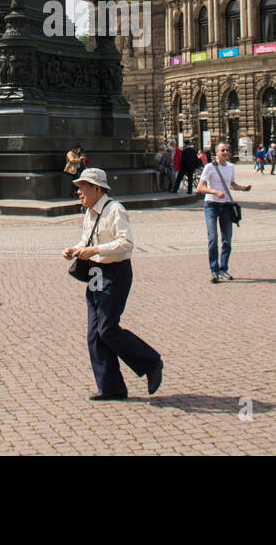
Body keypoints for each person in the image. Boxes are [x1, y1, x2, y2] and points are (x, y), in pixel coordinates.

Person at [63, 168, 163, 401]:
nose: (78, 192)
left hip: (115, 273)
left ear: (97, 188)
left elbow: (126, 244)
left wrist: (95, 250)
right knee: (95, 334)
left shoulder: (115, 210)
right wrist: (75, 250)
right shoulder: (89, 212)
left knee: (107, 328)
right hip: (96, 273)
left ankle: (151, 362)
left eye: (83, 187)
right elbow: (87, 239)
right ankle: (110, 386)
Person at [196, 142, 252, 282]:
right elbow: (200, 188)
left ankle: (223, 269)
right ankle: (214, 270)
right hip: (211, 206)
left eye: (227, 150)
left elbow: (231, 184)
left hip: (226, 206)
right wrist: (214, 191)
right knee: (213, 238)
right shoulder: (209, 167)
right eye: (223, 150)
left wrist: (243, 188)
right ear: (217, 153)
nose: (226, 152)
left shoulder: (231, 167)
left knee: (227, 240)